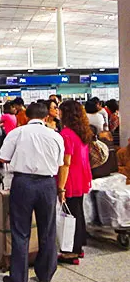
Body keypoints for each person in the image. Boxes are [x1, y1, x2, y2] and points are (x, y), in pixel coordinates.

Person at [0, 103, 65, 282]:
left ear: (26, 116)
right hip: (47, 185)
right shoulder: (55, 136)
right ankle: (45, 275)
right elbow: (59, 163)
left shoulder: (18, 133)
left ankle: (19, 279)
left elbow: (3, 157)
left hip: (23, 183)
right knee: (47, 230)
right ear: (46, 117)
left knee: (20, 231)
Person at [57, 100, 93, 265]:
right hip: (83, 175)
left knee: (70, 214)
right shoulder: (84, 131)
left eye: (61, 111)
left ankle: (71, 252)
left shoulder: (66, 133)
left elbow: (66, 162)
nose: (58, 113)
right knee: (78, 211)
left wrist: (61, 187)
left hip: (71, 177)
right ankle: (79, 247)